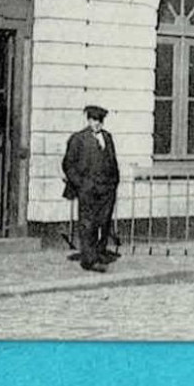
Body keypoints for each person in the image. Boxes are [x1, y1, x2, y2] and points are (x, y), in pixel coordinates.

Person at [63, 104, 121, 272]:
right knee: (88, 223)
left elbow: (113, 161)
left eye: (100, 120)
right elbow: (68, 164)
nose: (97, 124)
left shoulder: (107, 137)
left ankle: (100, 252)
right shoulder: (78, 139)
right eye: (94, 120)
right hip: (88, 189)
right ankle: (89, 260)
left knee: (104, 221)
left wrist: (114, 182)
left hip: (107, 189)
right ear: (88, 120)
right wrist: (81, 184)